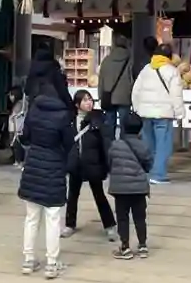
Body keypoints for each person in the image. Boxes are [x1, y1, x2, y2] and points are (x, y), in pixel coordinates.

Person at [17, 81, 76, 278]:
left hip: (33, 165)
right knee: (53, 217)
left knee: (31, 217)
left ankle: (28, 260)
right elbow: (69, 142)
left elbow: (25, 137)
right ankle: (51, 263)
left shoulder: (33, 112)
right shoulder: (63, 115)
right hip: (54, 166)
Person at [64, 90, 116, 240]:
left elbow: (106, 142)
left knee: (99, 195)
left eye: (90, 99)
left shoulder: (98, 118)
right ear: (77, 104)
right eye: (85, 100)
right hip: (76, 163)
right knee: (72, 195)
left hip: (93, 163)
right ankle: (70, 224)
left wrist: (107, 164)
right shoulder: (70, 120)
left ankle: (110, 225)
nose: (89, 103)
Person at [131, 42, 183, 184]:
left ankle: (150, 171)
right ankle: (158, 174)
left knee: (149, 144)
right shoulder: (172, 71)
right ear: (169, 56)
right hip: (163, 114)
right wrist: (179, 113)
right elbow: (176, 94)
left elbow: (136, 90)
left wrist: (137, 108)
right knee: (163, 145)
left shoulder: (146, 69)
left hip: (145, 113)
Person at [107, 110, 153, 260]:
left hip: (120, 189)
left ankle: (125, 247)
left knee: (122, 218)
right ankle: (143, 246)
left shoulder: (115, 145)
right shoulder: (144, 145)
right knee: (140, 218)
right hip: (139, 188)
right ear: (140, 128)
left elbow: (110, 163)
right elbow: (148, 165)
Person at [97, 33, 134, 137]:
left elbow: (101, 80)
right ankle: (123, 145)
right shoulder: (130, 60)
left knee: (110, 125)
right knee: (124, 126)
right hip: (124, 97)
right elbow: (132, 79)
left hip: (108, 96)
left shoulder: (106, 60)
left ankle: (110, 145)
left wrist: (100, 96)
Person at [25, 43, 73, 111]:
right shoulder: (54, 68)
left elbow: (27, 90)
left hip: (35, 108)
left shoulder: (32, 70)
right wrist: (71, 108)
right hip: (53, 109)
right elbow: (62, 91)